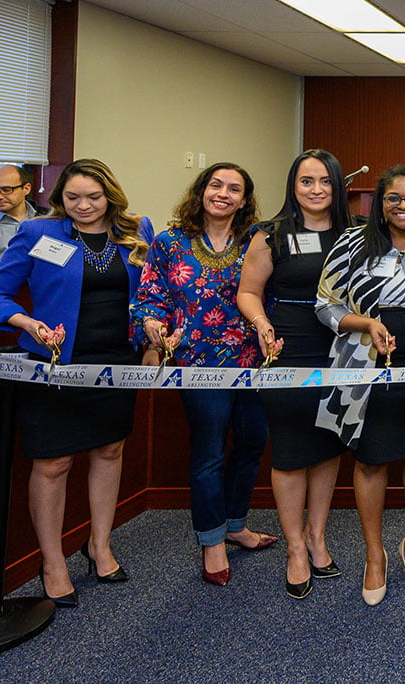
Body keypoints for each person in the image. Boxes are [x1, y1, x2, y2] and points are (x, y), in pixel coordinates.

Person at [0, 158, 153, 606]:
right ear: (59, 199)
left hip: (116, 361)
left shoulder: (137, 230)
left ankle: (99, 545)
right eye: (72, 198)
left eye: (93, 197)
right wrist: (28, 323)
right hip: (54, 363)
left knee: (110, 450)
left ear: (111, 195)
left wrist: (154, 334)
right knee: (53, 464)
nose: (83, 206)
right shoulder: (39, 233)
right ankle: (52, 562)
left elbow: (154, 292)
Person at [314, 165, 405, 606]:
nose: (403, 205)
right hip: (363, 364)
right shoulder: (351, 244)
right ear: (380, 203)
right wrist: (367, 323)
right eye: (394, 197)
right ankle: (374, 554)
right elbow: (325, 305)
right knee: (371, 459)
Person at [132, 162, 277, 586]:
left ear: (245, 200)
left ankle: (235, 524)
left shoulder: (258, 240)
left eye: (235, 189)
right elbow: (149, 298)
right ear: (201, 191)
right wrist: (152, 340)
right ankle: (212, 540)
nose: (224, 194)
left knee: (253, 441)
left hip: (254, 360)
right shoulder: (169, 243)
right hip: (197, 365)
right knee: (211, 449)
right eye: (216, 185)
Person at [237, 150, 351, 600]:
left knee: (327, 442)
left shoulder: (356, 234)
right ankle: (295, 549)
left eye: (325, 180)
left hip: (341, 347)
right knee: (288, 448)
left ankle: (317, 537)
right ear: (293, 185)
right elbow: (249, 291)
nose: (316, 189)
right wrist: (261, 323)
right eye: (307, 181)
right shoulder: (272, 235)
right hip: (286, 345)